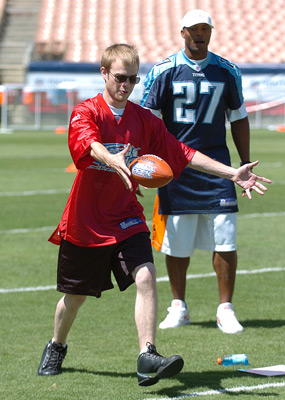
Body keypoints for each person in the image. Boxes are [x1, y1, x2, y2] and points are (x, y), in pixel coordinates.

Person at [37, 43, 270, 386]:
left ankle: (147, 355)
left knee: (145, 275)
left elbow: (183, 152)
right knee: (75, 297)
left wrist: (232, 172)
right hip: (86, 220)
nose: (125, 85)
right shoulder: (86, 111)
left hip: (126, 214)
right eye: (119, 77)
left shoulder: (144, 119)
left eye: (132, 79)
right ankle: (57, 344)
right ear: (104, 73)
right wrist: (112, 159)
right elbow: (87, 141)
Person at [141, 9, 254, 333]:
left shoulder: (226, 70)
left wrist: (242, 163)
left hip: (218, 168)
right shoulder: (164, 71)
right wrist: (149, 162)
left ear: (211, 32)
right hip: (176, 168)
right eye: (194, 30)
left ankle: (225, 308)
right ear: (182, 33)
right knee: (176, 242)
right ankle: (179, 305)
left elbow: (239, 116)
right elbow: (148, 120)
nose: (199, 34)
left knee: (226, 240)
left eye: (205, 29)